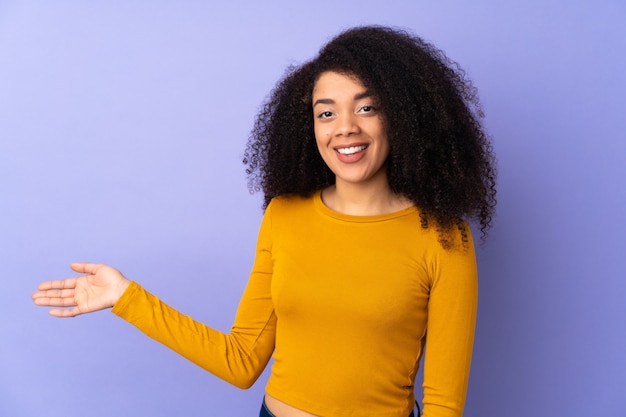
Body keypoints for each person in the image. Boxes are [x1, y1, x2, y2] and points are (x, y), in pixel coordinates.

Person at [32, 25, 497, 417]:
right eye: (326, 112)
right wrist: (126, 297)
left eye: (367, 107)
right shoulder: (285, 215)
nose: (345, 127)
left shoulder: (443, 238)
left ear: (403, 116)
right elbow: (241, 361)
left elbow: (442, 403)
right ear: (309, 127)